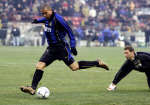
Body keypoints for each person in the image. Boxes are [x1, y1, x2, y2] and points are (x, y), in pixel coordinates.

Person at [20, 5, 109, 95]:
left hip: (61, 48)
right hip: (51, 49)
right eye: (42, 13)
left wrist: (73, 46)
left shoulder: (59, 19)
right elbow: (43, 19)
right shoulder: (46, 18)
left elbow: (70, 31)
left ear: (51, 11)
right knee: (39, 66)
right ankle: (32, 88)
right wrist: (36, 21)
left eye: (45, 13)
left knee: (75, 67)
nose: (44, 15)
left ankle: (97, 63)